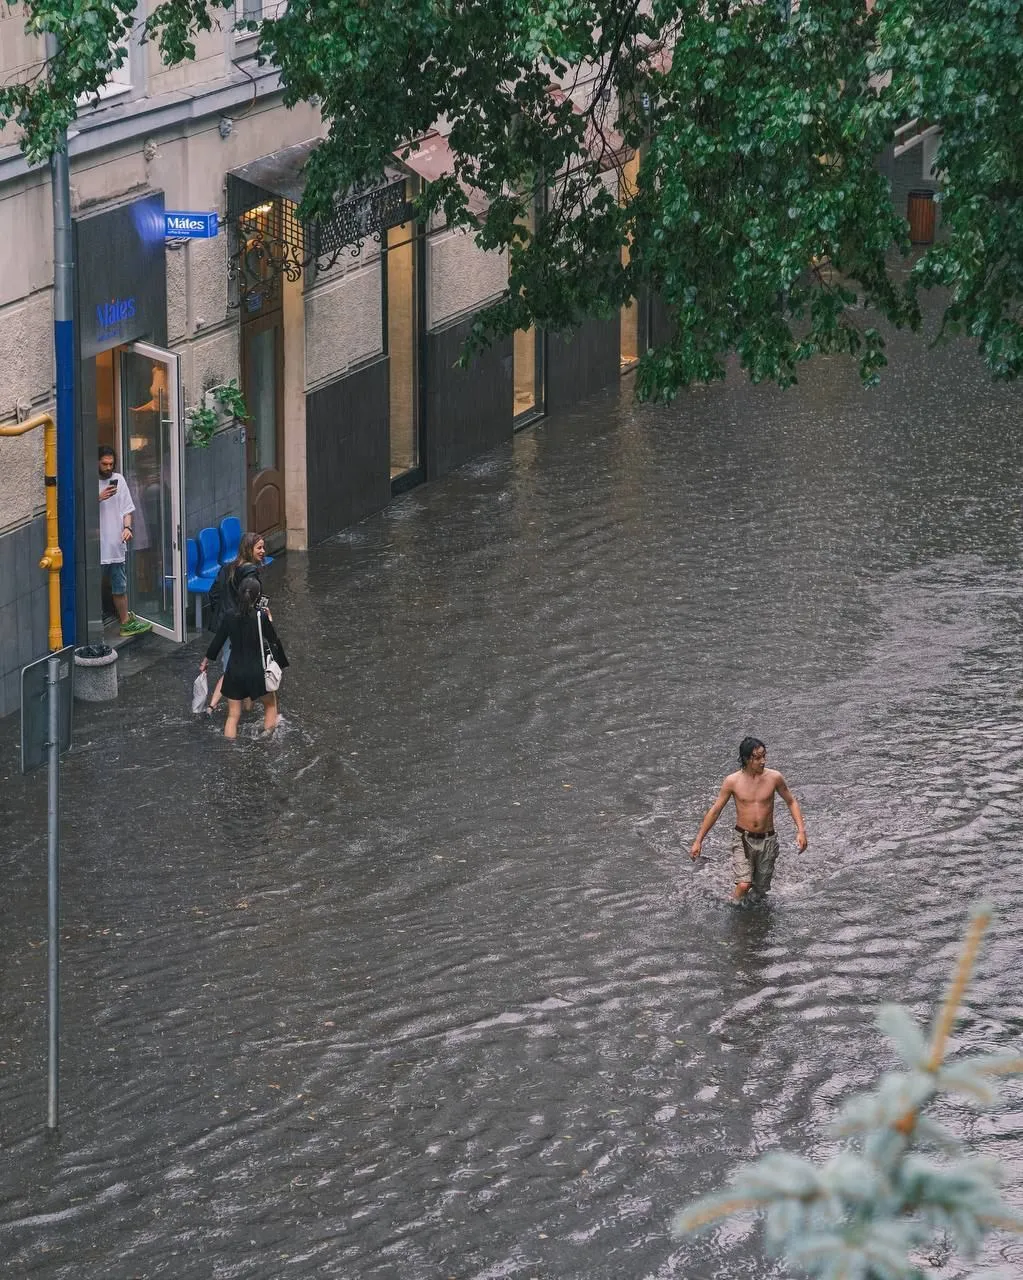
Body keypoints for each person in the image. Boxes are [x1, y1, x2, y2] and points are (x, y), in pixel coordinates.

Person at [689, 737, 808, 901]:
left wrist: (801, 831)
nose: (763, 761)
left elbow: (791, 801)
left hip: (768, 839)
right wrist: (698, 840)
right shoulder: (732, 781)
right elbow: (716, 810)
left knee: (760, 891)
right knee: (744, 884)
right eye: (757, 757)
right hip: (743, 839)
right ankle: (732, 910)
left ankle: (753, 918)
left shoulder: (774, 778)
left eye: (764, 756)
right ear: (746, 759)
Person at [200, 576, 288, 739]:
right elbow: (273, 640)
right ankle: (267, 741)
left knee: (233, 716)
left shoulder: (229, 616)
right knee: (270, 705)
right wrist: (270, 620)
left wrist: (205, 661)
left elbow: (217, 641)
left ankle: (229, 751)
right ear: (257, 596)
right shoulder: (260, 616)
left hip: (234, 671)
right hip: (257, 671)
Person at [205, 532, 269, 714]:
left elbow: (213, 594)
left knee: (233, 665)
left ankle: (219, 706)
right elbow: (252, 600)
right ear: (249, 549)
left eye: (263, 547)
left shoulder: (226, 568)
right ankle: (220, 706)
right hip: (242, 626)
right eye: (259, 548)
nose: (263, 551)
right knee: (238, 668)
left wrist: (222, 614)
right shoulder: (250, 571)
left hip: (225, 625)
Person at [98, 444, 152, 636]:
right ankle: (94, 626)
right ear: (97, 463)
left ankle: (125, 622)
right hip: (97, 547)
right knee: (93, 587)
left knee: (120, 586)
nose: (108, 468)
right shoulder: (91, 483)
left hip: (116, 545)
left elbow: (127, 510)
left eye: (111, 464)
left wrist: (128, 527)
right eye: (104, 464)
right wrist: (99, 497)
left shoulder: (118, 480)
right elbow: (82, 508)